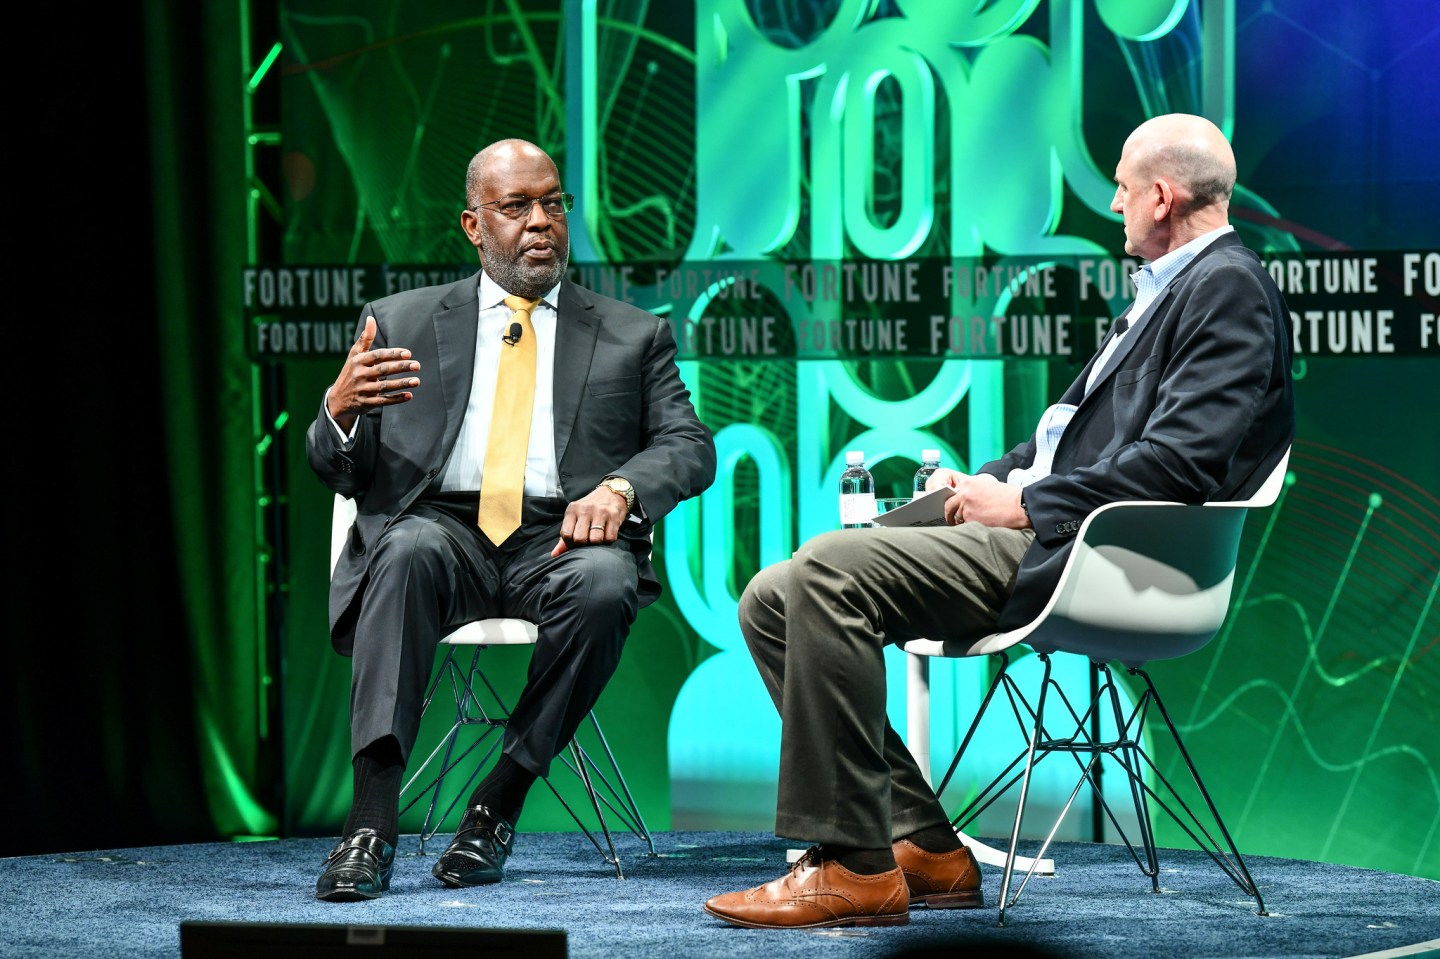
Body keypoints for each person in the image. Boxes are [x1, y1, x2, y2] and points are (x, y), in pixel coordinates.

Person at [703, 113, 1295, 929]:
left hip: (1089, 554)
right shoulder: (1169, 287)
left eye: (1123, 187)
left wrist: (1021, 504)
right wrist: (985, 481)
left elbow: (1180, 463)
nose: (1114, 202)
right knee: (772, 596)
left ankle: (853, 866)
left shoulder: (1226, 286)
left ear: (1161, 197)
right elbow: (1064, 441)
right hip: (1043, 527)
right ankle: (925, 844)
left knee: (828, 571)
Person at [307, 138, 716, 902]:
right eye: (516, 206)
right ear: (473, 225)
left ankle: (498, 802)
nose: (540, 222)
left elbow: (689, 445)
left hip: (560, 535)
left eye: (553, 203)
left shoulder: (633, 334)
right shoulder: (399, 321)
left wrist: (620, 489)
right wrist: (338, 412)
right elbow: (341, 471)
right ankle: (368, 824)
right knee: (404, 550)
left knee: (604, 583)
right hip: (443, 528)